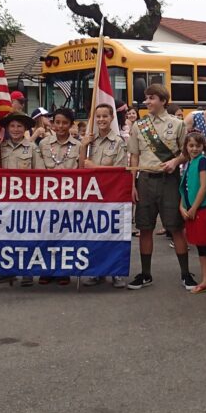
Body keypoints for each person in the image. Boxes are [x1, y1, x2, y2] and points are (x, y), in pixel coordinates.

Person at [126, 84, 194, 290]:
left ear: (163, 100)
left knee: (175, 228)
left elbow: (187, 152)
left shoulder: (178, 124)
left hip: (169, 181)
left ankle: (185, 274)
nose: (147, 102)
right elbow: (134, 156)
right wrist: (132, 185)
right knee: (145, 228)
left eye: (151, 98)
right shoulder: (139, 126)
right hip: (145, 180)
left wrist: (175, 161)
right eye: (146, 98)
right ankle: (145, 274)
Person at [81, 103, 129, 288]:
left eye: (105, 116)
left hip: (111, 194)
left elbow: (120, 169)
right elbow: (80, 167)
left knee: (114, 234)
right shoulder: (89, 141)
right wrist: (82, 147)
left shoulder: (117, 142)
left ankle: (116, 272)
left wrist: (96, 168)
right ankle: (97, 272)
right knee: (94, 234)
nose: (101, 120)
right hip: (91, 195)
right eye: (98, 116)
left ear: (111, 118)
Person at [33, 107, 81, 285]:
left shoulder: (78, 146)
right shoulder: (44, 143)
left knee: (65, 234)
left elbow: (82, 172)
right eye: (57, 122)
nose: (60, 126)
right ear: (52, 123)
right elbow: (39, 169)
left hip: (69, 198)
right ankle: (46, 269)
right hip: (47, 196)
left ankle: (63, 270)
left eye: (65, 123)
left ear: (71, 125)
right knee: (46, 233)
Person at [0, 111, 38, 285]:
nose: (16, 129)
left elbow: (38, 174)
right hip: (6, 199)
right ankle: (7, 270)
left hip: (26, 199)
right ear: (7, 128)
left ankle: (27, 271)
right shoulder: (1, 146)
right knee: (6, 235)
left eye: (19, 126)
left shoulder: (32, 148)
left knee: (26, 236)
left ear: (25, 128)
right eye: (12, 126)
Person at [178, 132, 206, 294]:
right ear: (186, 147)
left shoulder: (203, 161)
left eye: (198, 146)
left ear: (203, 147)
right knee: (200, 246)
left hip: (201, 209)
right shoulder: (188, 163)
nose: (194, 149)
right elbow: (184, 188)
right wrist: (182, 207)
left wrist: (194, 207)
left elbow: (204, 187)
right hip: (190, 209)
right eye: (191, 146)